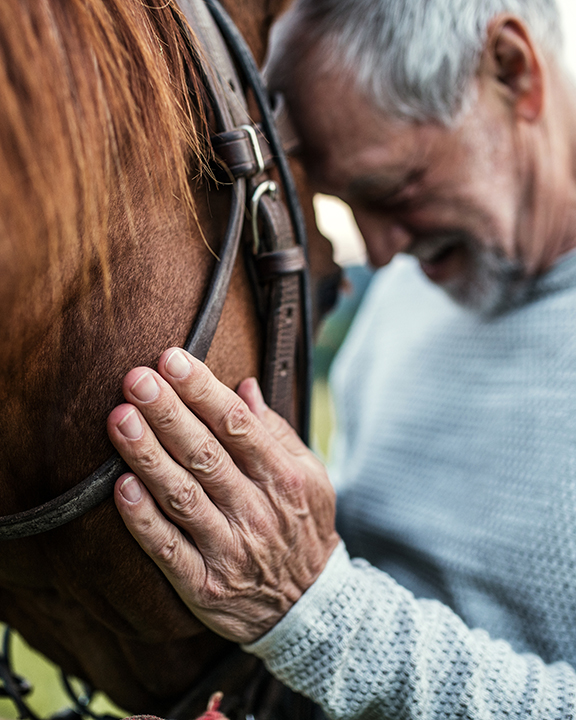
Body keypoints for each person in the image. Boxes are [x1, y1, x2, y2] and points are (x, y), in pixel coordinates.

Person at [107, 0, 576, 717]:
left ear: (512, 72)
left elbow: (337, 616)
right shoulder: (404, 300)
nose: (380, 251)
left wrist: (319, 617)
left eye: (391, 190)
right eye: (343, 204)